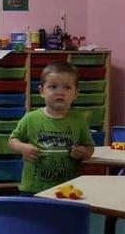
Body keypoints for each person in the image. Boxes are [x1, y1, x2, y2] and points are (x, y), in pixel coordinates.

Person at [8, 61, 95, 195]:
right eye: (53, 87)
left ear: (76, 93)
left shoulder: (79, 121)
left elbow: (90, 148)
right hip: (33, 189)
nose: (60, 92)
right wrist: (23, 148)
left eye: (66, 87)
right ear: (42, 91)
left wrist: (83, 152)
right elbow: (12, 140)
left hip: (67, 189)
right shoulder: (31, 118)